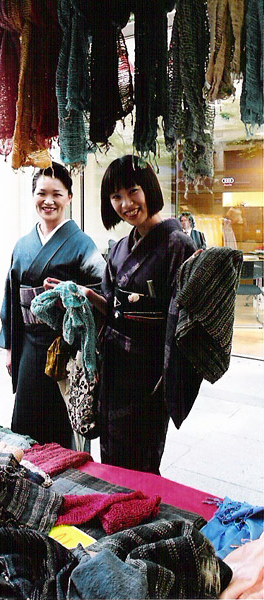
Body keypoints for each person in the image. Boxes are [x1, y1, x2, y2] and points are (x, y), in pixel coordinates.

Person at [83, 155, 197, 474]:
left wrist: (169, 379)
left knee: (141, 464)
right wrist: (89, 296)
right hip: (114, 367)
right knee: (112, 458)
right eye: (116, 196)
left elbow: (184, 319)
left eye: (133, 191)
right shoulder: (120, 247)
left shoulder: (178, 245)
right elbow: (113, 307)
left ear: (149, 188)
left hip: (150, 375)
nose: (126, 204)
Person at [0, 162, 106, 448]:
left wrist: (78, 296)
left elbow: (102, 291)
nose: (49, 201)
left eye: (57, 194)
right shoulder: (23, 245)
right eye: (41, 193)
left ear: (69, 197)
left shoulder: (82, 243)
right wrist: (10, 348)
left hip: (66, 346)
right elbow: (11, 297)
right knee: (26, 426)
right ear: (33, 196)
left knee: (63, 425)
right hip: (29, 346)